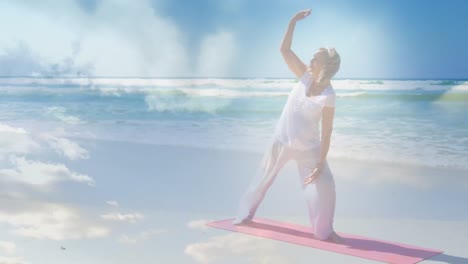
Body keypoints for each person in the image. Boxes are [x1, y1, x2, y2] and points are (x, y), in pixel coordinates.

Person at [232, 9, 344, 244]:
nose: (310, 60)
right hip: (281, 141)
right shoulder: (304, 75)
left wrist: (321, 163)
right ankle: (243, 215)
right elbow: (284, 50)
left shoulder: (329, 95)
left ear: (324, 66)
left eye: (315, 58)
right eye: (312, 57)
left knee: (325, 187)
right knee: (261, 180)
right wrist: (293, 22)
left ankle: (324, 231)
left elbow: (327, 132)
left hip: (309, 149)